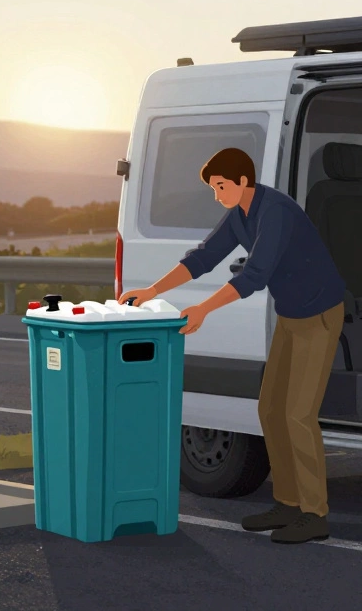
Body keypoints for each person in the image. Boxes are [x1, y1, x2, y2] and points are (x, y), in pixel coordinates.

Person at [119, 147, 347, 544]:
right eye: (213, 188)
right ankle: (288, 504)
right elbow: (204, 257)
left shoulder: (275, 211)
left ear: (243, 181)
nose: (216, 194)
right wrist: (153, 290)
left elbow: (254, 275)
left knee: (297, 415)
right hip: (291, 316)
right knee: (271, 409)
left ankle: (315, 515)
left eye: (221, 186)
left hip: (319, 315)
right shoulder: (240, 212)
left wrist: (203, 309)